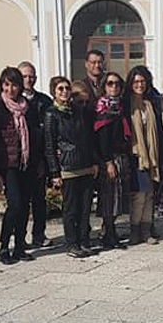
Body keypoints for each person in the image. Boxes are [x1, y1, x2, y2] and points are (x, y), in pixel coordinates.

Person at [0, 67, 39, 265]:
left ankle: (19, 244)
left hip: (26, 163)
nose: (10, 89)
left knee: (25, 205)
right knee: (14, 205)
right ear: (2, 86)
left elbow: (35, 136)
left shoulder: (27, 107)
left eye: (14, 84)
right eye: (7, 84)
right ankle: (3, 245)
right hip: (7, 165)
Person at [45, 76, 98, 258]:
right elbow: (50, 145)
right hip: (67, 167)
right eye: (60, 89)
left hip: (84, 164)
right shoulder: (51, 114)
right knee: (70, 208)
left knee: (85, 208)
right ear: (54, 92)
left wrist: (93, 162)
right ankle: (71, 243)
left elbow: (88, 137)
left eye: (67, 88)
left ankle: (84, 240)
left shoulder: (78, 111)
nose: (64, 92)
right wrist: (54, 172)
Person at [124, 66, 163, 245]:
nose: (139, 85)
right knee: (138, 195)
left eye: (142, 81)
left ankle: (147, 229)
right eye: (136, 82)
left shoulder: (151, 104)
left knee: (149, 193)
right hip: (136, 155)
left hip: (152, 155)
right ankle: (135, 230)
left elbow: (159, 129)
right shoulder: (126, 103)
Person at [94, 72, 131, 249]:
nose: (114, 87)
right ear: (104, 87)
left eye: (117, 84)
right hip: (108, 159)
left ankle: (111, 230)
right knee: (109, 198)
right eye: (110, 84)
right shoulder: (102, 109)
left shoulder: (121, 108)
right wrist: (107, 162)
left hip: (122, 157)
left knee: (119, 198)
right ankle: (108, 234)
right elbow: (100, 138)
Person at [18, 61, 53, 248]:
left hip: (39, 158)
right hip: (20, 160)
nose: (28, 79)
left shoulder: (44, 101)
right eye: (24, 76)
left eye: (31, 75)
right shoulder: (14, 102)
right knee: (22, 202)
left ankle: (39, 234)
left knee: (39, 200)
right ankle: (20, 237)